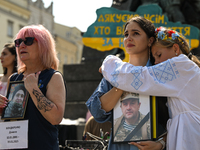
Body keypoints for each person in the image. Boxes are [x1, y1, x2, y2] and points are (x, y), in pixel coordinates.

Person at [101, 27, 200, 150]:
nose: (157, 62)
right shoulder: (187, 69)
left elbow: (141, 77)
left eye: (159, 55)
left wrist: (109, 64)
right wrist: (162, 143)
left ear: (175, 48)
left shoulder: (181, 66)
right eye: (154, 59)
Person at [86, 16, 164, 150]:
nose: (129, 38)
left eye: (136, 33)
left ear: (150, 40)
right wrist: (123, 81)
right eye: (126, 34)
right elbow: (97, 112)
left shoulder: (160, 74)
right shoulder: (114, 73)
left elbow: (178, 117)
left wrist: (161, 144)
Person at [0, 24, 66, 150]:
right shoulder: (14, 79)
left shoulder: (53, 77)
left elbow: (56, 118)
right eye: (18, 42)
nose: (22, 45)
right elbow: (13, 117)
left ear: (43, 45)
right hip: (14, 145)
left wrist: (34, 89)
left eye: (29, 41)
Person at [0, 43, 17, 121]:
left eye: (5, 54)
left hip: (12, 124)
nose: (1, 57)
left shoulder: (21, 78)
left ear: (14, 56)